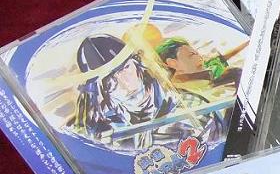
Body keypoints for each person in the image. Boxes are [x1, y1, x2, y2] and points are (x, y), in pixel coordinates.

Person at [71, 34, 224, 150]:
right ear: (100, 88)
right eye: (109, 79)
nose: (124, 84)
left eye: (125, 68)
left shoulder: (192, 106)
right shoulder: (104, 131)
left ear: (138, 64)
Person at [156, 36, 246, 99]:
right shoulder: (176, 92)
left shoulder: (204, 71)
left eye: (197, 53)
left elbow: (225, 58)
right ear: (173, 63)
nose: (200, 57)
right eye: (192, 55)